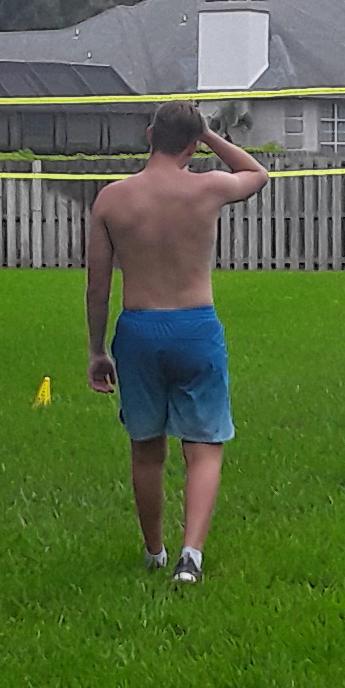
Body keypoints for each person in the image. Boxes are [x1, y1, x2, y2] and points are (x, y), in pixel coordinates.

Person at [86, 100, 268, 584]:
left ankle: (154, 551)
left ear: (149, 135)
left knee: (146, 449)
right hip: (195, 328)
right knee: (204, 447)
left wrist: (96, 349)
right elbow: (257, 173)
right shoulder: (208, 187)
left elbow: (98, 286)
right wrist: (207, 135)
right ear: (193, 144)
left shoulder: (112, 199)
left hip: (139, 329)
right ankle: (192, 556)